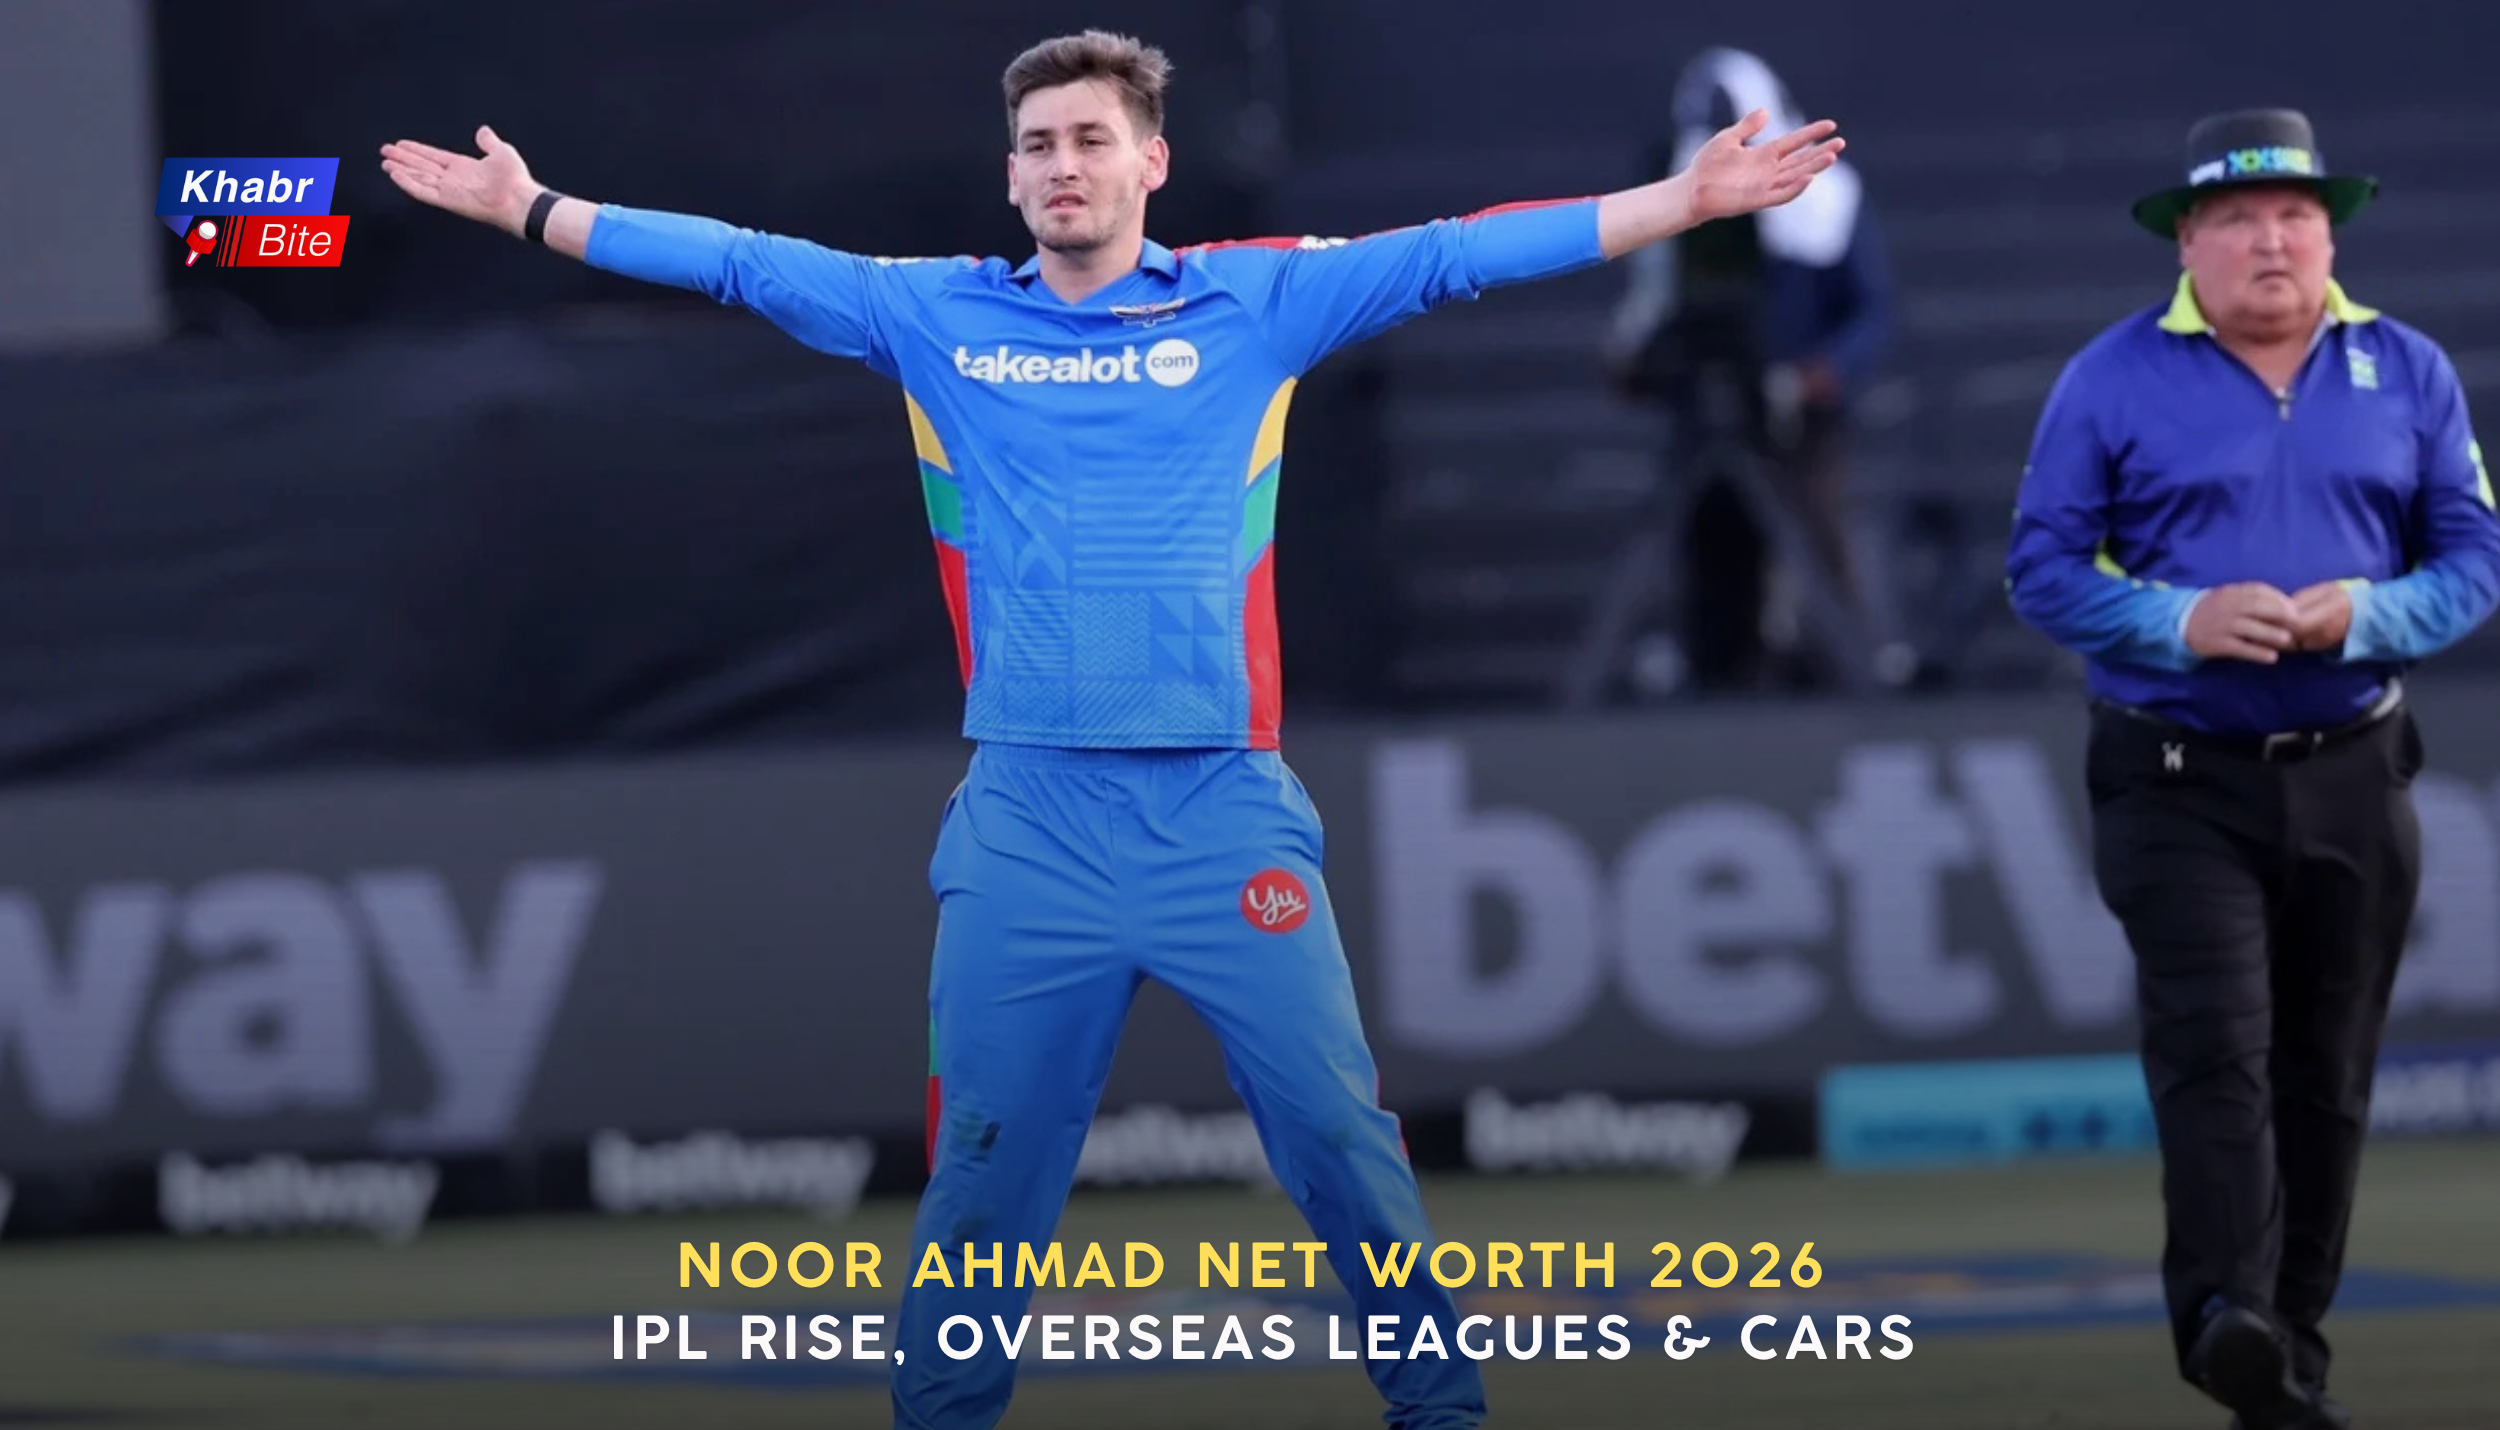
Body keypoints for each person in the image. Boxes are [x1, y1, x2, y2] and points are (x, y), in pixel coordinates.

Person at [380, 30, 1841, 1430]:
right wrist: (536, 210)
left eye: (1090, 138)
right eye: (1035, 145)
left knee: (1340, 1147)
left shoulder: (1258, 299)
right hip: (1029, 824)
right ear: (1010, 178)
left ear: (1153, 160)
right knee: (985, 1181)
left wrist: (1686, 203)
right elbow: (741, 264)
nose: (1061, 163)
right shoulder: (934, 313)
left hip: (1223, 811)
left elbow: (1458, 251)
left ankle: (1438, 1408)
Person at [2006, 109, 2500, 1430]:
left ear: (2330, 231)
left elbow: (2474, 563)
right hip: (2176, 771)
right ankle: (2226, 1313)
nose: (2270, 239)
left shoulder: (2407, 371)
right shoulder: (2108, 379)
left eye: (2295, 213)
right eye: (2236, 218)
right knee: (2215, 1044)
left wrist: (2362, 612)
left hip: (2355, 763)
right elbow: (2041, 569)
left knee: (2327, 1071)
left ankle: (2286, 1358)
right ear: (2188, 242)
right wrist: (2180, 619)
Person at [1603, 47, 1894, 694]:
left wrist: (1825, 372)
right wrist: (1639, 353)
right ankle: (1719, 677)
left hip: (1803, 424)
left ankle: (1856, 683)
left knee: (1820, 548)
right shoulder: (1675, 188)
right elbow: (1649, 297)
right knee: (1712, 556)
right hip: (1709, 408)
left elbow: (1871, 310)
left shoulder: (1833, 200)